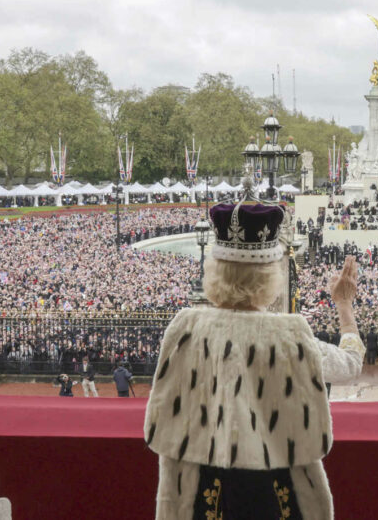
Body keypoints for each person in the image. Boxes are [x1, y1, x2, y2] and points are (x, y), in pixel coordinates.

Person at [144, 194, 365, 519]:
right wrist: (345, 307)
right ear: (268, 276)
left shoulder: (185, 328)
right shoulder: (291, 335)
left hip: (202, 491)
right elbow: (350, 365)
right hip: (276, 492)